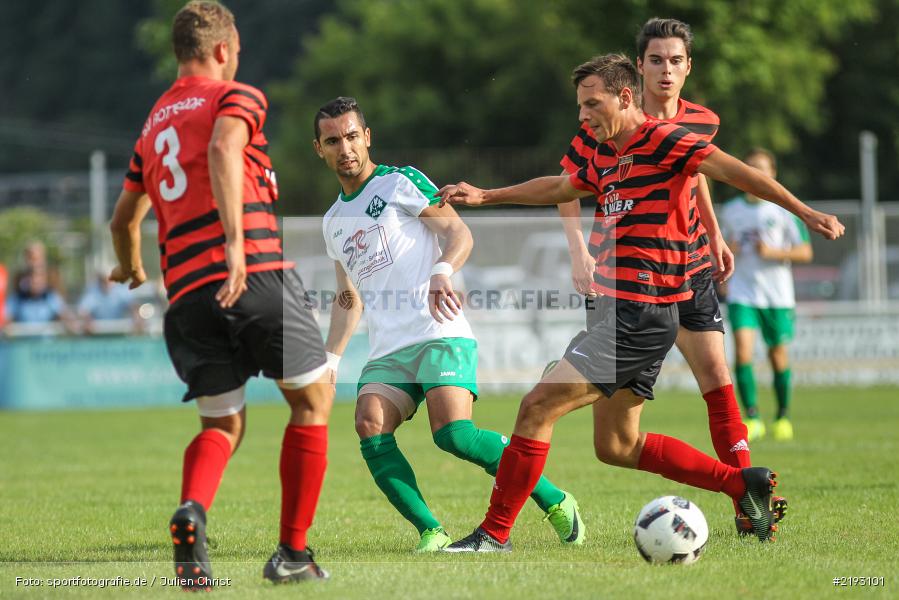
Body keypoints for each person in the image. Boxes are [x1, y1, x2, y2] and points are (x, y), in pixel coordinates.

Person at [439, 53, 844, 551]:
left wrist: (804, 212)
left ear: (625, 97)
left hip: (642, 312)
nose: (583, 117)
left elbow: (740, 175)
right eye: (580, 106)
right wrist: (485, 196)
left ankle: (493, 534)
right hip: (622, 312)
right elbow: (562, 186)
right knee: (617, 446)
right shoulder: (606, 153)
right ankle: (742, 484)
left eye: (592, 104)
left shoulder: (665, 140)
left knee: (536, 407)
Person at [108, 1, 332, 588]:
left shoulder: (152, 124)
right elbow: (223, 149)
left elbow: (123, 219)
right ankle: (292, 554)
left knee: (222, 426)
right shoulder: (235, 96)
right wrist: (236, 244)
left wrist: (130, 268)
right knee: (313, 403)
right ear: (224, 50)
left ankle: (193, 513)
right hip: (253, 271)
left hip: (186, 296)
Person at [315, 97, 583, 552]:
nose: (346, 148)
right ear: (319, 149)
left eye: (353, 136)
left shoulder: (399, 182)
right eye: (333, 140)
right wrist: (330, 360)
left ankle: (557, 500)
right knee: (368, 422)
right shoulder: (332, 222)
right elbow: (348, 297)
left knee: (454, 435)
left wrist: (442, 272)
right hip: (389, 349)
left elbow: (459, 233)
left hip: (438, 328)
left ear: (368, 137)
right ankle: (431, 532)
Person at [554, 17, 784, 536]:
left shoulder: (702, 121)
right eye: (655, 59)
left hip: (690, 268)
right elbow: (563, 189)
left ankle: (747, 502)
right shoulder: (603, 120)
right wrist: (578, 254)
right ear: (638, 69)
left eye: (675, 60)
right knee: (613, 439)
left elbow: (696, 173)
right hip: (624, 280)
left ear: (688, 67)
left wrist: (716, 234)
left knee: (718, 380)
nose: (666, 69)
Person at [719, 148, 812, 442]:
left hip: (777, 295)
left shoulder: (782, 210)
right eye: (749, 167)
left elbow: (805, 251)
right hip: (742, 292)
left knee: (777, 354)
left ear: (773, 174)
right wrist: (726, 253)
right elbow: (717, 247)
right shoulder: (732, 210)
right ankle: (752, 416)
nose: (755, 172)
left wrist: (773, 252)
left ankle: (783, 415)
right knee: (743, 351)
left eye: (761, 167)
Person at [78, 270, 143, 334]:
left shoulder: (121, 290)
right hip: (97, 336)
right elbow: (83, 311)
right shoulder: (92, 292)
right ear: (99, 281)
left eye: (110, 279)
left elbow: (133, 306)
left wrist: (137, 317)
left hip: (120, 333)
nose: (107, 283)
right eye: (103, 280)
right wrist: (87, 321)